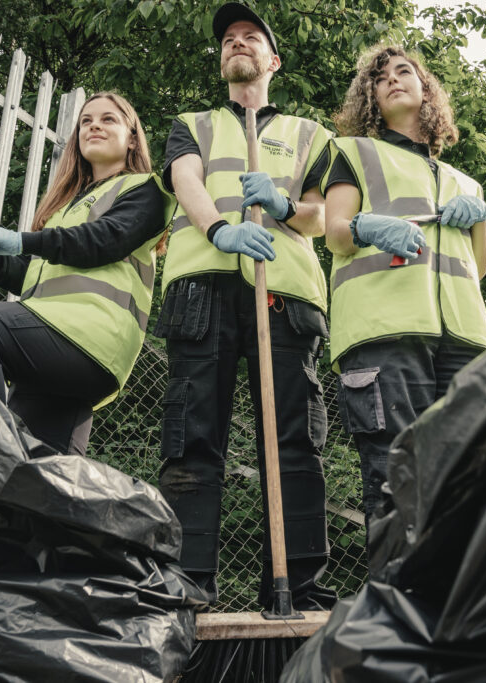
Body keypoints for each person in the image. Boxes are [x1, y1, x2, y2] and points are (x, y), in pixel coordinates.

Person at [153, 3, 336, 610]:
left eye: (250, 37)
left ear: (272, 60)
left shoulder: (313, 136)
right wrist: (218, 230)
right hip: (203, 289)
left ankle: (300, 589)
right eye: (229, 39)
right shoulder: (193, 123)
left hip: (282, 295)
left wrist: (285, 209)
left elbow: (323, 215)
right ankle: (189, 587)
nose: (237, 43)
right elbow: (187, 182)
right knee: (192, 439)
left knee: (293, 442)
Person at [0, 91, 175, 456]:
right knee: (44, 471)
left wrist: (23, 240)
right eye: (86, 121)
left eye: (109, 119)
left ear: (133, 138)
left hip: (87, 337)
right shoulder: (63, 210)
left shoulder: (146, 190)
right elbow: (34, 274)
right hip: (57, 351)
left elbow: (103, 242)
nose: (94, 126)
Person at [322, 45, 486, 534]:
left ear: (427, 91)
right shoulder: (352, 152)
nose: (393, 80)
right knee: (396, 470)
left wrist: (479, 221)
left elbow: (476, 268)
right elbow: (334, 232)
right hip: (385, 334)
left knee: (466, 475)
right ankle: (398, 603)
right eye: (381, 78)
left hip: (464, 343)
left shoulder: (467, 183)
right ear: (371, 97)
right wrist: (369, 226)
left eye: (405, 72)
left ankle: (455, 604)